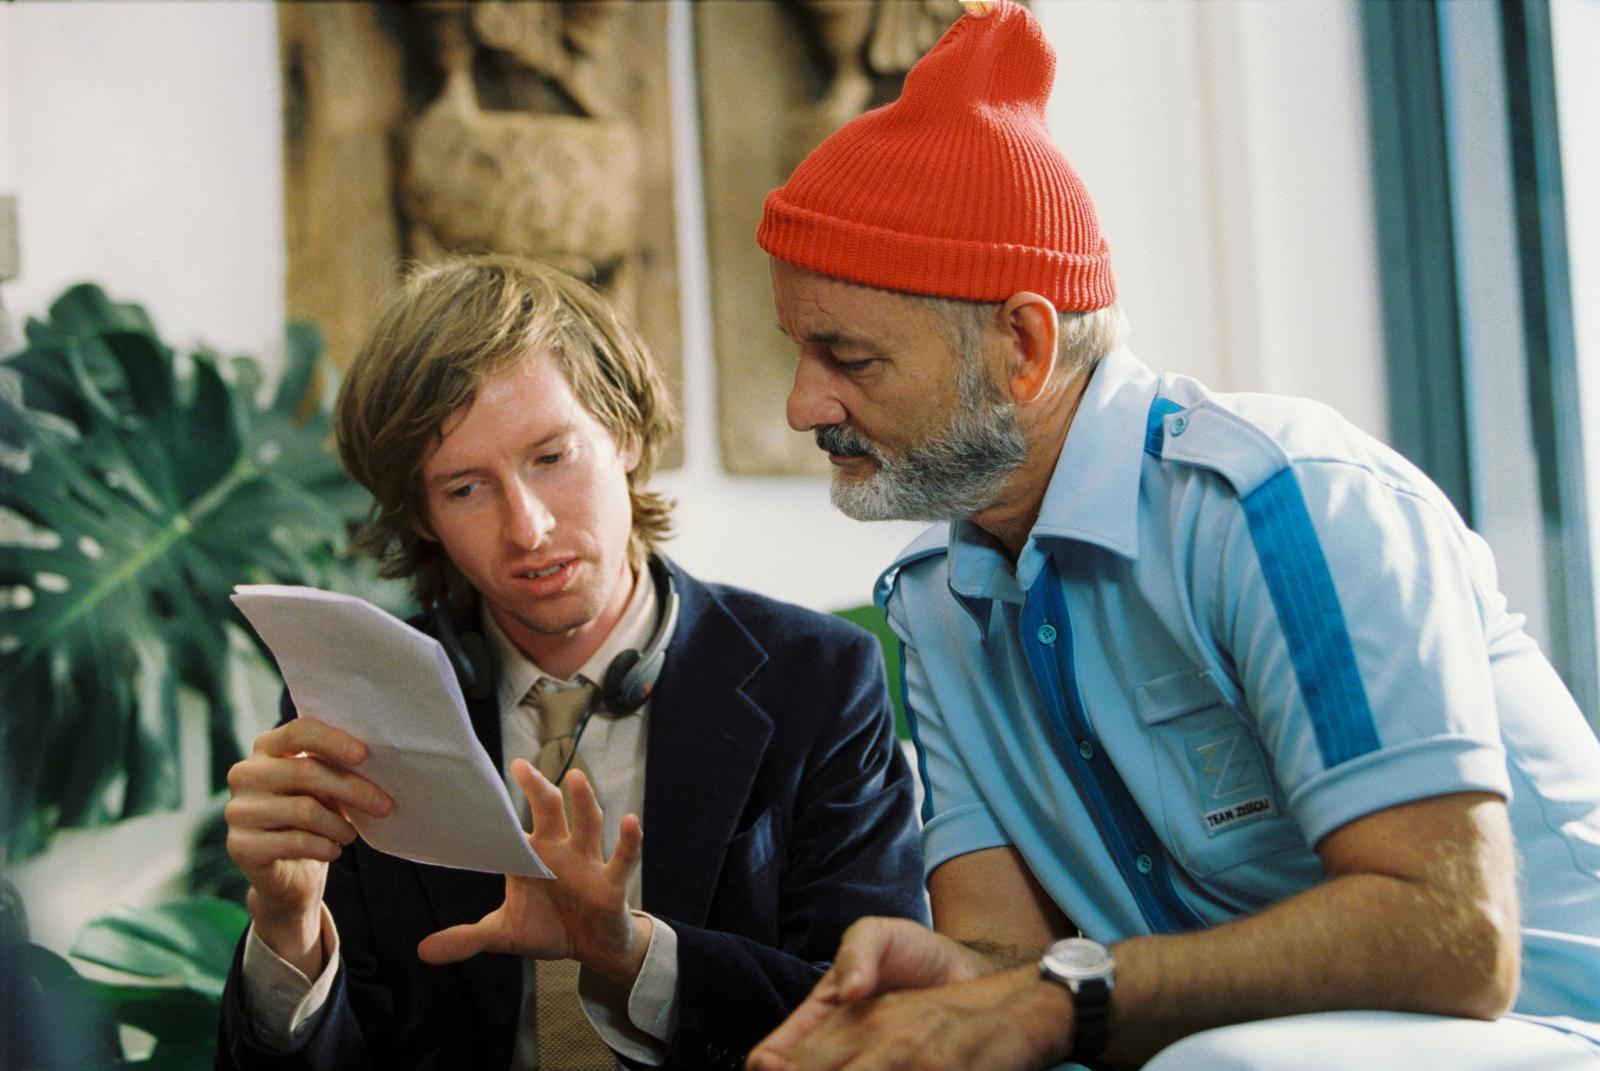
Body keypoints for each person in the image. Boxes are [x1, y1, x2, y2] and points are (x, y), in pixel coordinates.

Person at [746, 2, 1600, 1069]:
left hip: (1544, 1024)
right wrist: (946, 982)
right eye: (797, 351)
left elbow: (1453, 936)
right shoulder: (932, 601)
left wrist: (1061, 999)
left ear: (1023, 345)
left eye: (848, 358)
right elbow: (1014, 955)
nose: (803, 406)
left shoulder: (1284, 501)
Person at [213, 255, 926, 1070]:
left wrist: (633, 956)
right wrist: (288, 927)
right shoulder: (358, 703)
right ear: (423, 516)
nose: (528, 528)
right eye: (465, 488)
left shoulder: (820, 680)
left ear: (625, 433)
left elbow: (877, 1020)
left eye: (551, 457)